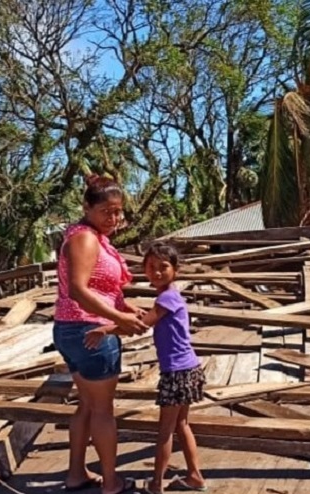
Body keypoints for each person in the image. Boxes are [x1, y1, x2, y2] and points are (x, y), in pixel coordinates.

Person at [53, 174, 148, 494]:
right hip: (89, 331)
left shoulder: (91, 237)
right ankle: (111, 482)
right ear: (87, 207)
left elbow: (100, 288)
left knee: (86, 406)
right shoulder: (85, 239)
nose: (115, 218)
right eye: (107, 211)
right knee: (103, 411)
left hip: (74, 329)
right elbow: (80, 291)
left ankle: (76, 474)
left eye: (119, 211)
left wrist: (126, 307)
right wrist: (118, 317)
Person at [85, 242, 207, 493]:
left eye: (163, 267)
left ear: (176, 269)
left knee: (165, 432)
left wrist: (106, 329)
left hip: (177, 372)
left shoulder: (168, 297)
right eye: (151, 267)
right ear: (144, 270)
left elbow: (142, 325)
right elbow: (146, 318)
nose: (157, 272)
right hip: (188, 368)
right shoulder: (166, 297)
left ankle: (156, 485)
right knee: (181, 426)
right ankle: (195, 476)